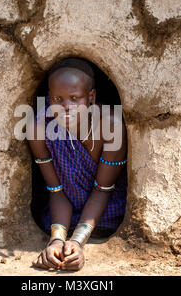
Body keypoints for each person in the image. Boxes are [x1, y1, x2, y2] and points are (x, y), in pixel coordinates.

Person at [28, 58, 127, 271]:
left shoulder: (110, 125)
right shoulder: (39, 129)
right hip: (61, 215)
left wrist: (77, 241)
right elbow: (55, 191)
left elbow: (103, 190)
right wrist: (56, 241)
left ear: (90, 97)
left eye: (74, 98)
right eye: (57, 99)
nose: (66, 107)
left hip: (104, 212)